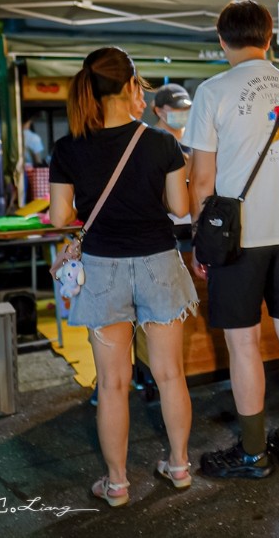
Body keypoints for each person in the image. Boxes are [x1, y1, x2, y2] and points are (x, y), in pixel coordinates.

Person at [48, 46, 198, 507]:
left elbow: (58, 217)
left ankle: (116, 484)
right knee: (170, 374)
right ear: (132, 86)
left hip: (103, 268)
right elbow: (180, 208)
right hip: (158, 263)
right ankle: (178, 466)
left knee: (113, 383)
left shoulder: (69, 147)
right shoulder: (161, 143)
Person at [186, 0, 279, 479]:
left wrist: (202, 237)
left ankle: (253, 451)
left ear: (222, 41)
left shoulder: (212, 91)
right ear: (270, 38)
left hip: (238, 237)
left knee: (244, 343)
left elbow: (202, 179)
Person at [153, 83, 194, 246]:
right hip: (165, 227)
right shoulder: (151, 141)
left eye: (185, 109)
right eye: (177, 109)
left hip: (194, 224)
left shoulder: (195, 139)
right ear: (158, 111)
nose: (183, 114)